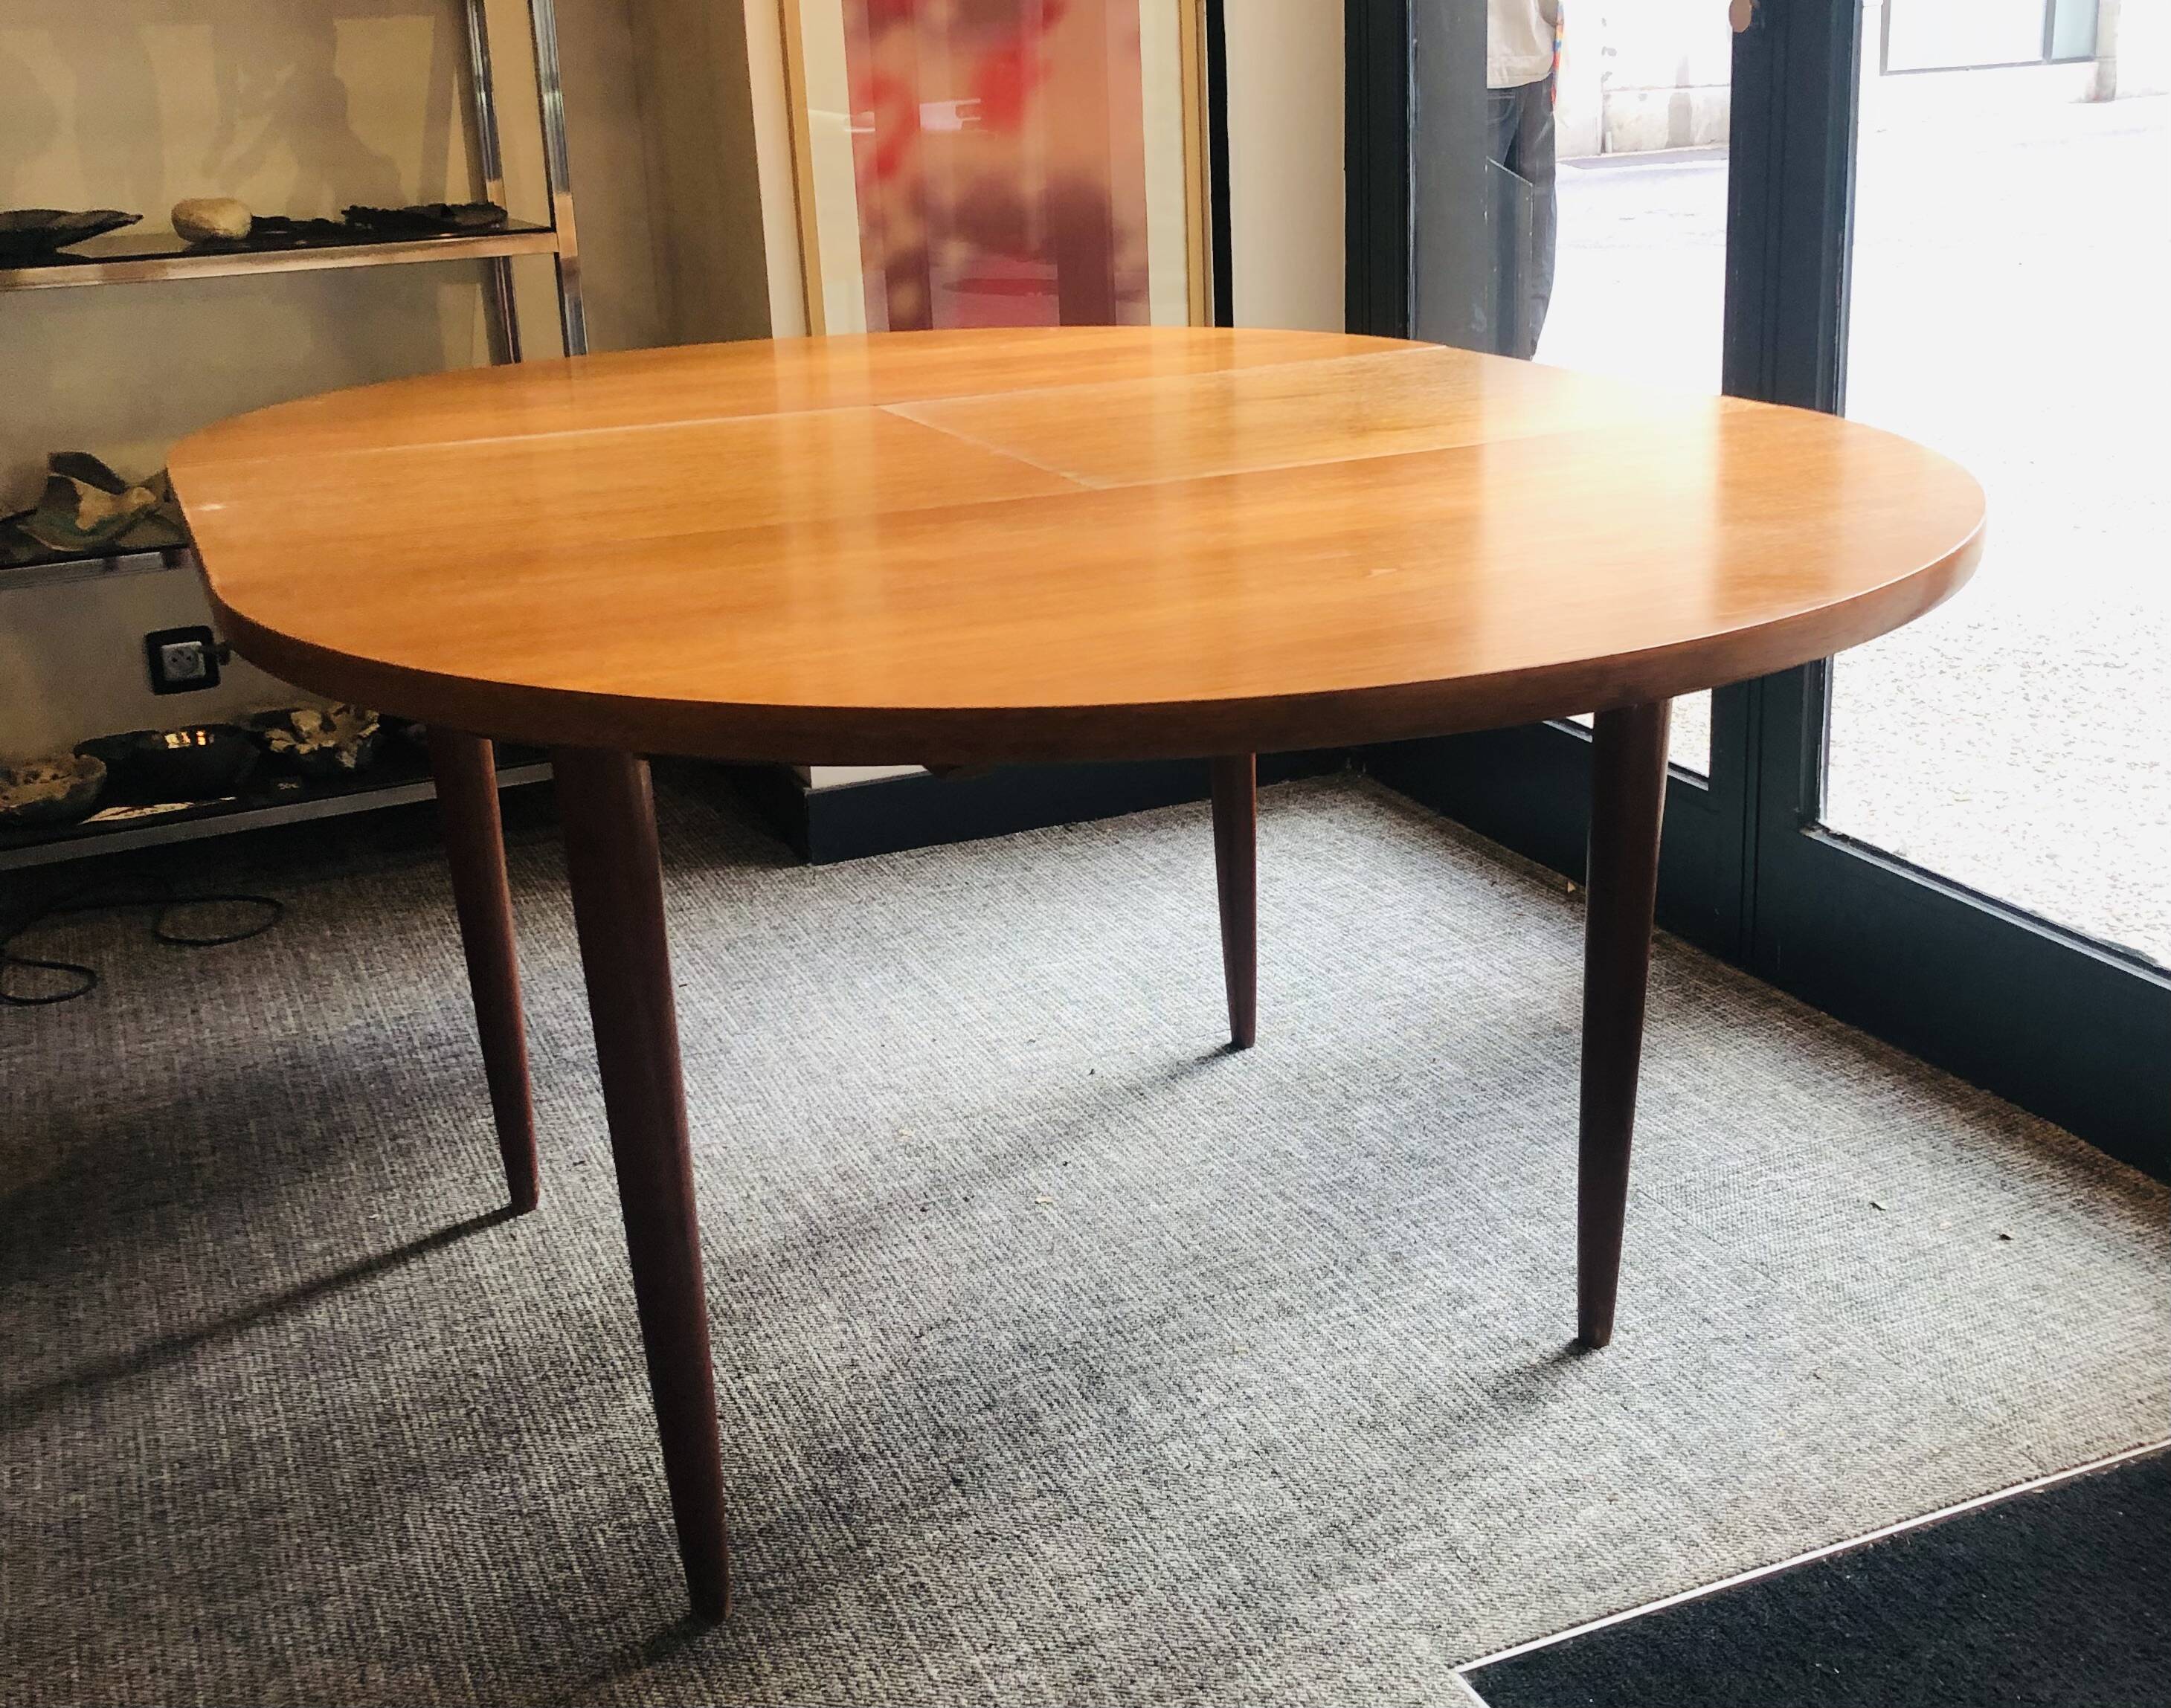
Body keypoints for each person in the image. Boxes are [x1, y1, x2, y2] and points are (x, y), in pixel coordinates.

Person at [1486, 0, 1560, 358]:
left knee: (1471, 218)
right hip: (1533, 47)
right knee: (1534, 213)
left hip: (1484, 57)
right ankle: (1522, 349)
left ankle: (1480, 353)